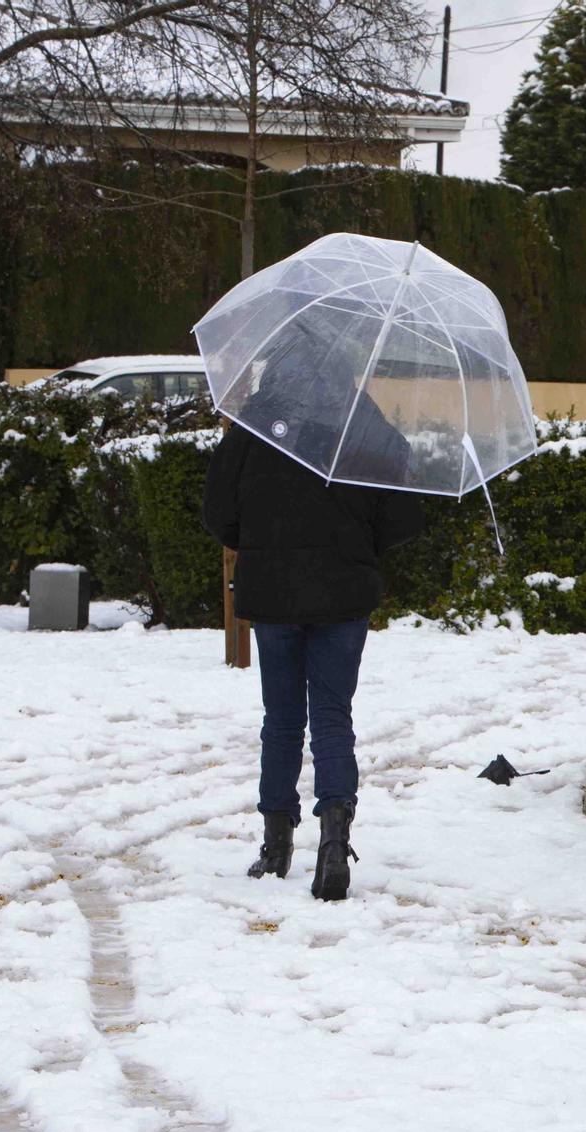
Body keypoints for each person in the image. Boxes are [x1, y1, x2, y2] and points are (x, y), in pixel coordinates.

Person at [201, 358, 424, 902]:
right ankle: (333, 841)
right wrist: (362, 547)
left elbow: (218, 514)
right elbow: (405, 512)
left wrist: (257, 540)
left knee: (280, 719)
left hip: (273, 593)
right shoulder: (365, 424)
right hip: (344, 595)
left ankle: (276, 847)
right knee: (331, 715)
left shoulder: (254, 427)